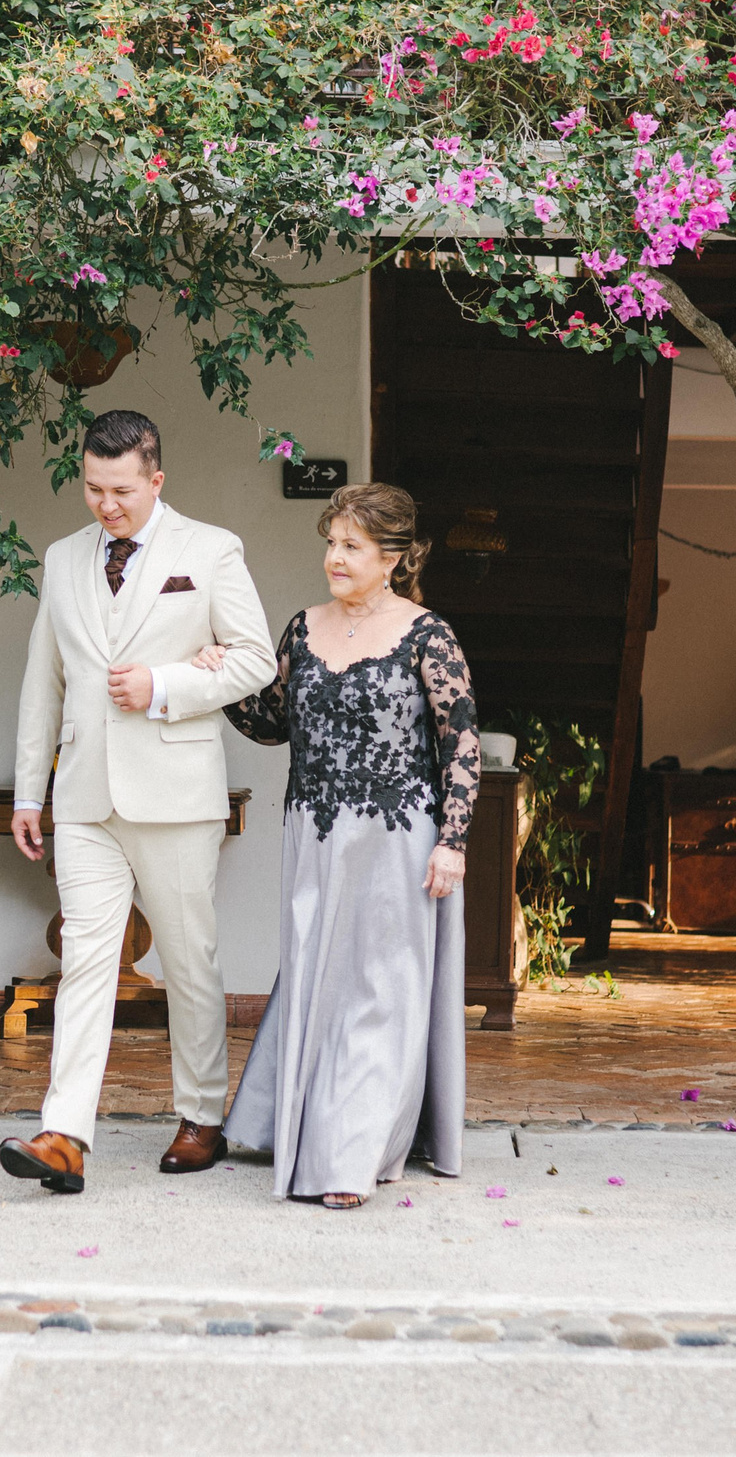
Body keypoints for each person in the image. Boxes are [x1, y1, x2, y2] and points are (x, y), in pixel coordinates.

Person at [0, 410, 277, 1195]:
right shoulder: (61, 559)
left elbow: (256, 659)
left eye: (121, 489)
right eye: (92, 487)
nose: (105, 504)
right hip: (84, 795)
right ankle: (65, 1134)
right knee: (88, 959)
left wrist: (168, 685)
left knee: (190, 959)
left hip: (177, 793)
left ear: (156, 479)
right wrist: (30, 789)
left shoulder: (211, 550)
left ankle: (200, 1115)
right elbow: (41, 683)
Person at [193, 481, 477, 1208]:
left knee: (380, 993)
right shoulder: (303, 627)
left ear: (392, 556)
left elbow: (461, 745)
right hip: (315, 834)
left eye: (351, 545)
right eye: (331, 542)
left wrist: (452, 841)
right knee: (319, 978)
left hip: (399, 839)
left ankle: (348, 1157)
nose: (334, 557)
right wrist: (220, 676)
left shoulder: (428, 634)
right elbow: (271, 722)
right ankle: (298, 1119)